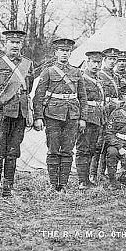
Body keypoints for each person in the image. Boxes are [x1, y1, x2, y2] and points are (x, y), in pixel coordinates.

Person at [0, 30, 34, 199]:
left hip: (20, 112)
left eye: (18, 43)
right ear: (5, 44)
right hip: (1, 112)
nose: (15, 45)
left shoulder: (28, 64)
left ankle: (8, 189)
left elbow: (29, 87)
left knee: (13, 152)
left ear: (21, 45)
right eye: (12, 42)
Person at [33, 38, 87, 192]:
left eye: (67, 51)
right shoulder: (48, 71)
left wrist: (83, 118)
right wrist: (38, 117)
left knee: (68, 150)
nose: (64, 53)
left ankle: (62, 184)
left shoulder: (77, 72)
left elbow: (82, 97)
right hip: (52, 116)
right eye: (61, 51)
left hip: (72, 116)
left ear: (70, 53)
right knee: (53, 150)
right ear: (56, 53)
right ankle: (52, 184)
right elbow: (39, 96)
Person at [91, 47, 121, 182]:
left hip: (113, 113)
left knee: (108, 143)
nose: (113, 62)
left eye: (115, 59)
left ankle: (103, 172)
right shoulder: (100, 75)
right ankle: (93, 173)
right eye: (110, 59)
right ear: (104, 60)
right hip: (102, 111)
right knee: (98, 144)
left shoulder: (117, 77)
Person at [76, 51, 106, 189]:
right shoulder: (82, 78)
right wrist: (81, 118)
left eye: (99, 62)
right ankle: (82, 180)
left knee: (92, 149)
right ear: (87, 62)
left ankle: (87, 178)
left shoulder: (99, 79)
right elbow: (79, 100)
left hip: (97, 118)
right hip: (87, 118)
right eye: (93, 62)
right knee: (83, 148)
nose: (96, 65)